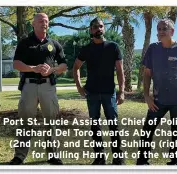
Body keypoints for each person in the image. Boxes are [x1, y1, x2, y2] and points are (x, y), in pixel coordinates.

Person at [9, 13, 67, 165]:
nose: (44, 23)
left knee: (51, 121)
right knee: (25, 121)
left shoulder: (54, 44)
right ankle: (19, 156)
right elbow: (16, 64)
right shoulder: (25, 43)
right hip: (29, 86)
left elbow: (64, 66)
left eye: (46, 21)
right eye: (41, 21)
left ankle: (53, 155)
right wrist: (32, 68)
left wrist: (52, 70)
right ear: (33, 24)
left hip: (48, 86)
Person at [136, 19, 177, 165]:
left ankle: (175, 161)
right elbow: (147, 74)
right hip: (157, 101)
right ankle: (142, 161)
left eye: (164, 29)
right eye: (159, 29)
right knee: (147, 130)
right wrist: (147, 97)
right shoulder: (152, 49)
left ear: (172, 31)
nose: (160, 32)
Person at [73, 17, 125, 165]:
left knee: (113, 125)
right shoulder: (86, 49)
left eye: (101, 26)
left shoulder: (113, 47)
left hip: (109, 92)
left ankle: (117, 158)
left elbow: (120, 71)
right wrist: (79, 87)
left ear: (104, 28)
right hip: (92, 93)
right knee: (95, 125)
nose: (99, 29)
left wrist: (121, 91)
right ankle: (99, 157)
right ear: (91, 30)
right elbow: (76, 67)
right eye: (95, 27)